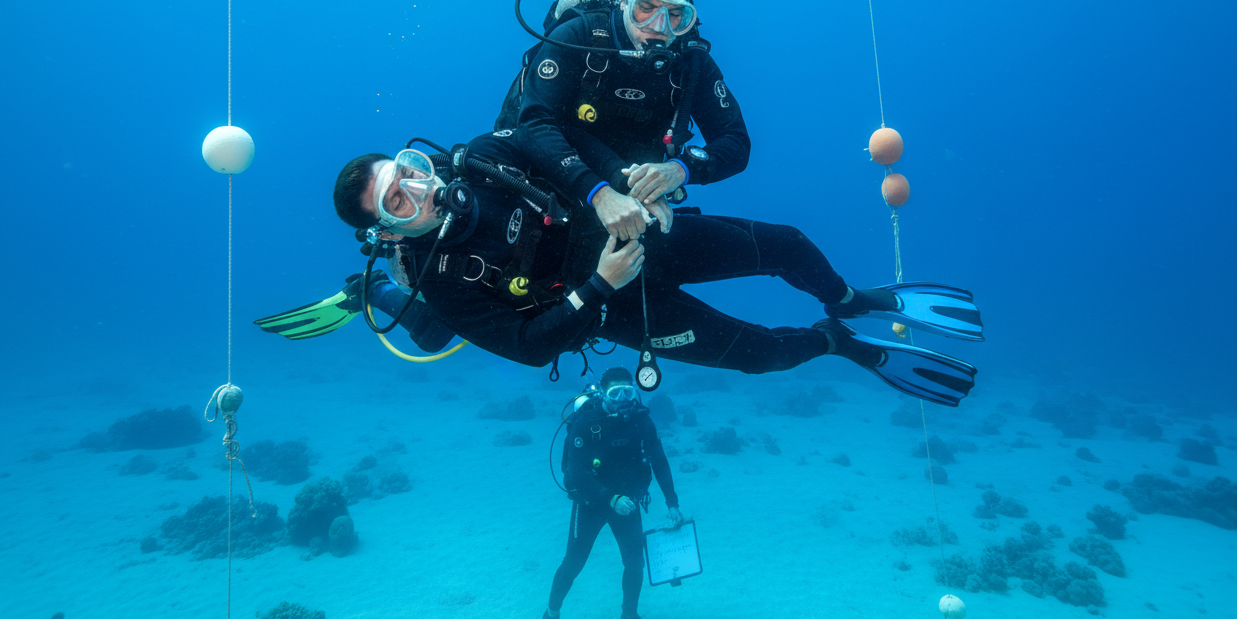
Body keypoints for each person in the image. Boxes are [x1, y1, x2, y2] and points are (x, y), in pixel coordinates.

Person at [299, 130, 981, 407]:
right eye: (397, 200)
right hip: (617, 303)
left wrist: (617, 186)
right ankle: (836, 341)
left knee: (786, 243)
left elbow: (553, 128)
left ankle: (851, 300)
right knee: (762, 357)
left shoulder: (483, 157)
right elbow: (527, 350)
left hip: (642, 234)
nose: (418, 191)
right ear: (386, 225)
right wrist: (600, 285)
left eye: (409, 173)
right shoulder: (441, 277)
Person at [516, 0, 751, 241]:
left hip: (639, 208)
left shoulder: (691, 63)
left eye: (676, 13)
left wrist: (679, 171)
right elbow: (535, 124)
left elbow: (736, 141)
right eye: (647, 7)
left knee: (788, 244)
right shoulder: (579, 37)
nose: (660, 26)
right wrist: (600, 193)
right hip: (549, 194)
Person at [534, 367, 689, 619]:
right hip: (592, 502)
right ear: (604, 395)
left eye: (628, 392)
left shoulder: (642, 421)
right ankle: (551, 617)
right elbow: (573, 476)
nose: (623, 400)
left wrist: (672, 503)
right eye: (615, 394)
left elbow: (659, 461)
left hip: (627, 501)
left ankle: (629, 617)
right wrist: (610, 498)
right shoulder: (586, 423)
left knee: (634, 562)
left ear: (635, 392)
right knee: (573, 563)